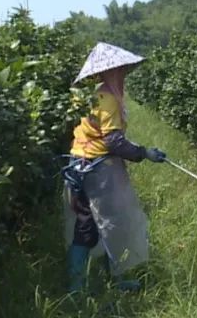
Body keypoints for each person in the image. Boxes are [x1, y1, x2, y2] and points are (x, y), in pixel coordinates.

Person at [63, 42, 167, 294]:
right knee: (109, 224)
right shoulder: (108, 98)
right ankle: (94, 287)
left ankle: (92, 285)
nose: (122, 75)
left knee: (89, 225)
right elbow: (113, 141)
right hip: (96, 171)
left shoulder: (93, 94)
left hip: (78, 165)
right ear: (111, 71)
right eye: (120, 70)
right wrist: (144, 153)